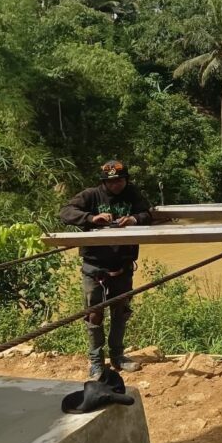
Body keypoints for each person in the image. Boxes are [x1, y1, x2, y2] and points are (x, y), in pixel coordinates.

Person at [60, 160, 151, 379]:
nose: (115, 185)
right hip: (95, 266)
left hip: (123, 265)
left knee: (120, 312)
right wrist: (92, 218)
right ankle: (96, 362)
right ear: (103, 182)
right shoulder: (91, 196)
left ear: (126, 179)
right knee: (94, 314)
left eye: (119, 180)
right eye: (111, 182)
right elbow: (65, 213)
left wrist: (134, 219)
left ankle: (118, 356)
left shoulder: (132, 194)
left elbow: (149, 213)